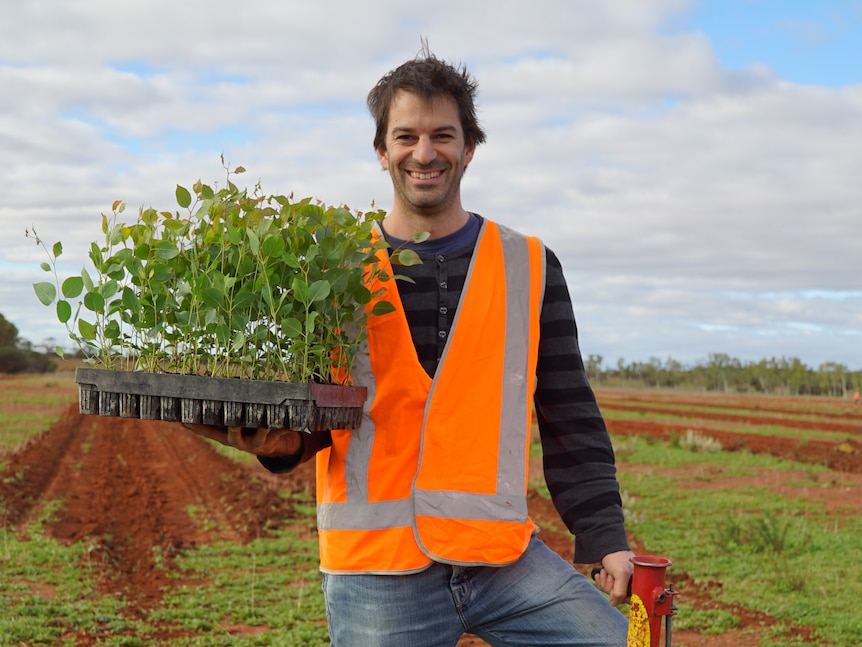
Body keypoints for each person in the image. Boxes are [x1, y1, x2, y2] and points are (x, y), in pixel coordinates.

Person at [186, 48, 632, 647]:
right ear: (382, 151)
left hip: (501, 557)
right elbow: (319, 414)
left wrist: (604, 536)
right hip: (378, 567)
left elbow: (569, 412)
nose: (425, 153)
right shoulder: (331, 269)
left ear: (469, 147)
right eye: (407, 137)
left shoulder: (529, 265)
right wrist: (277, 442)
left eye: (443, 135)